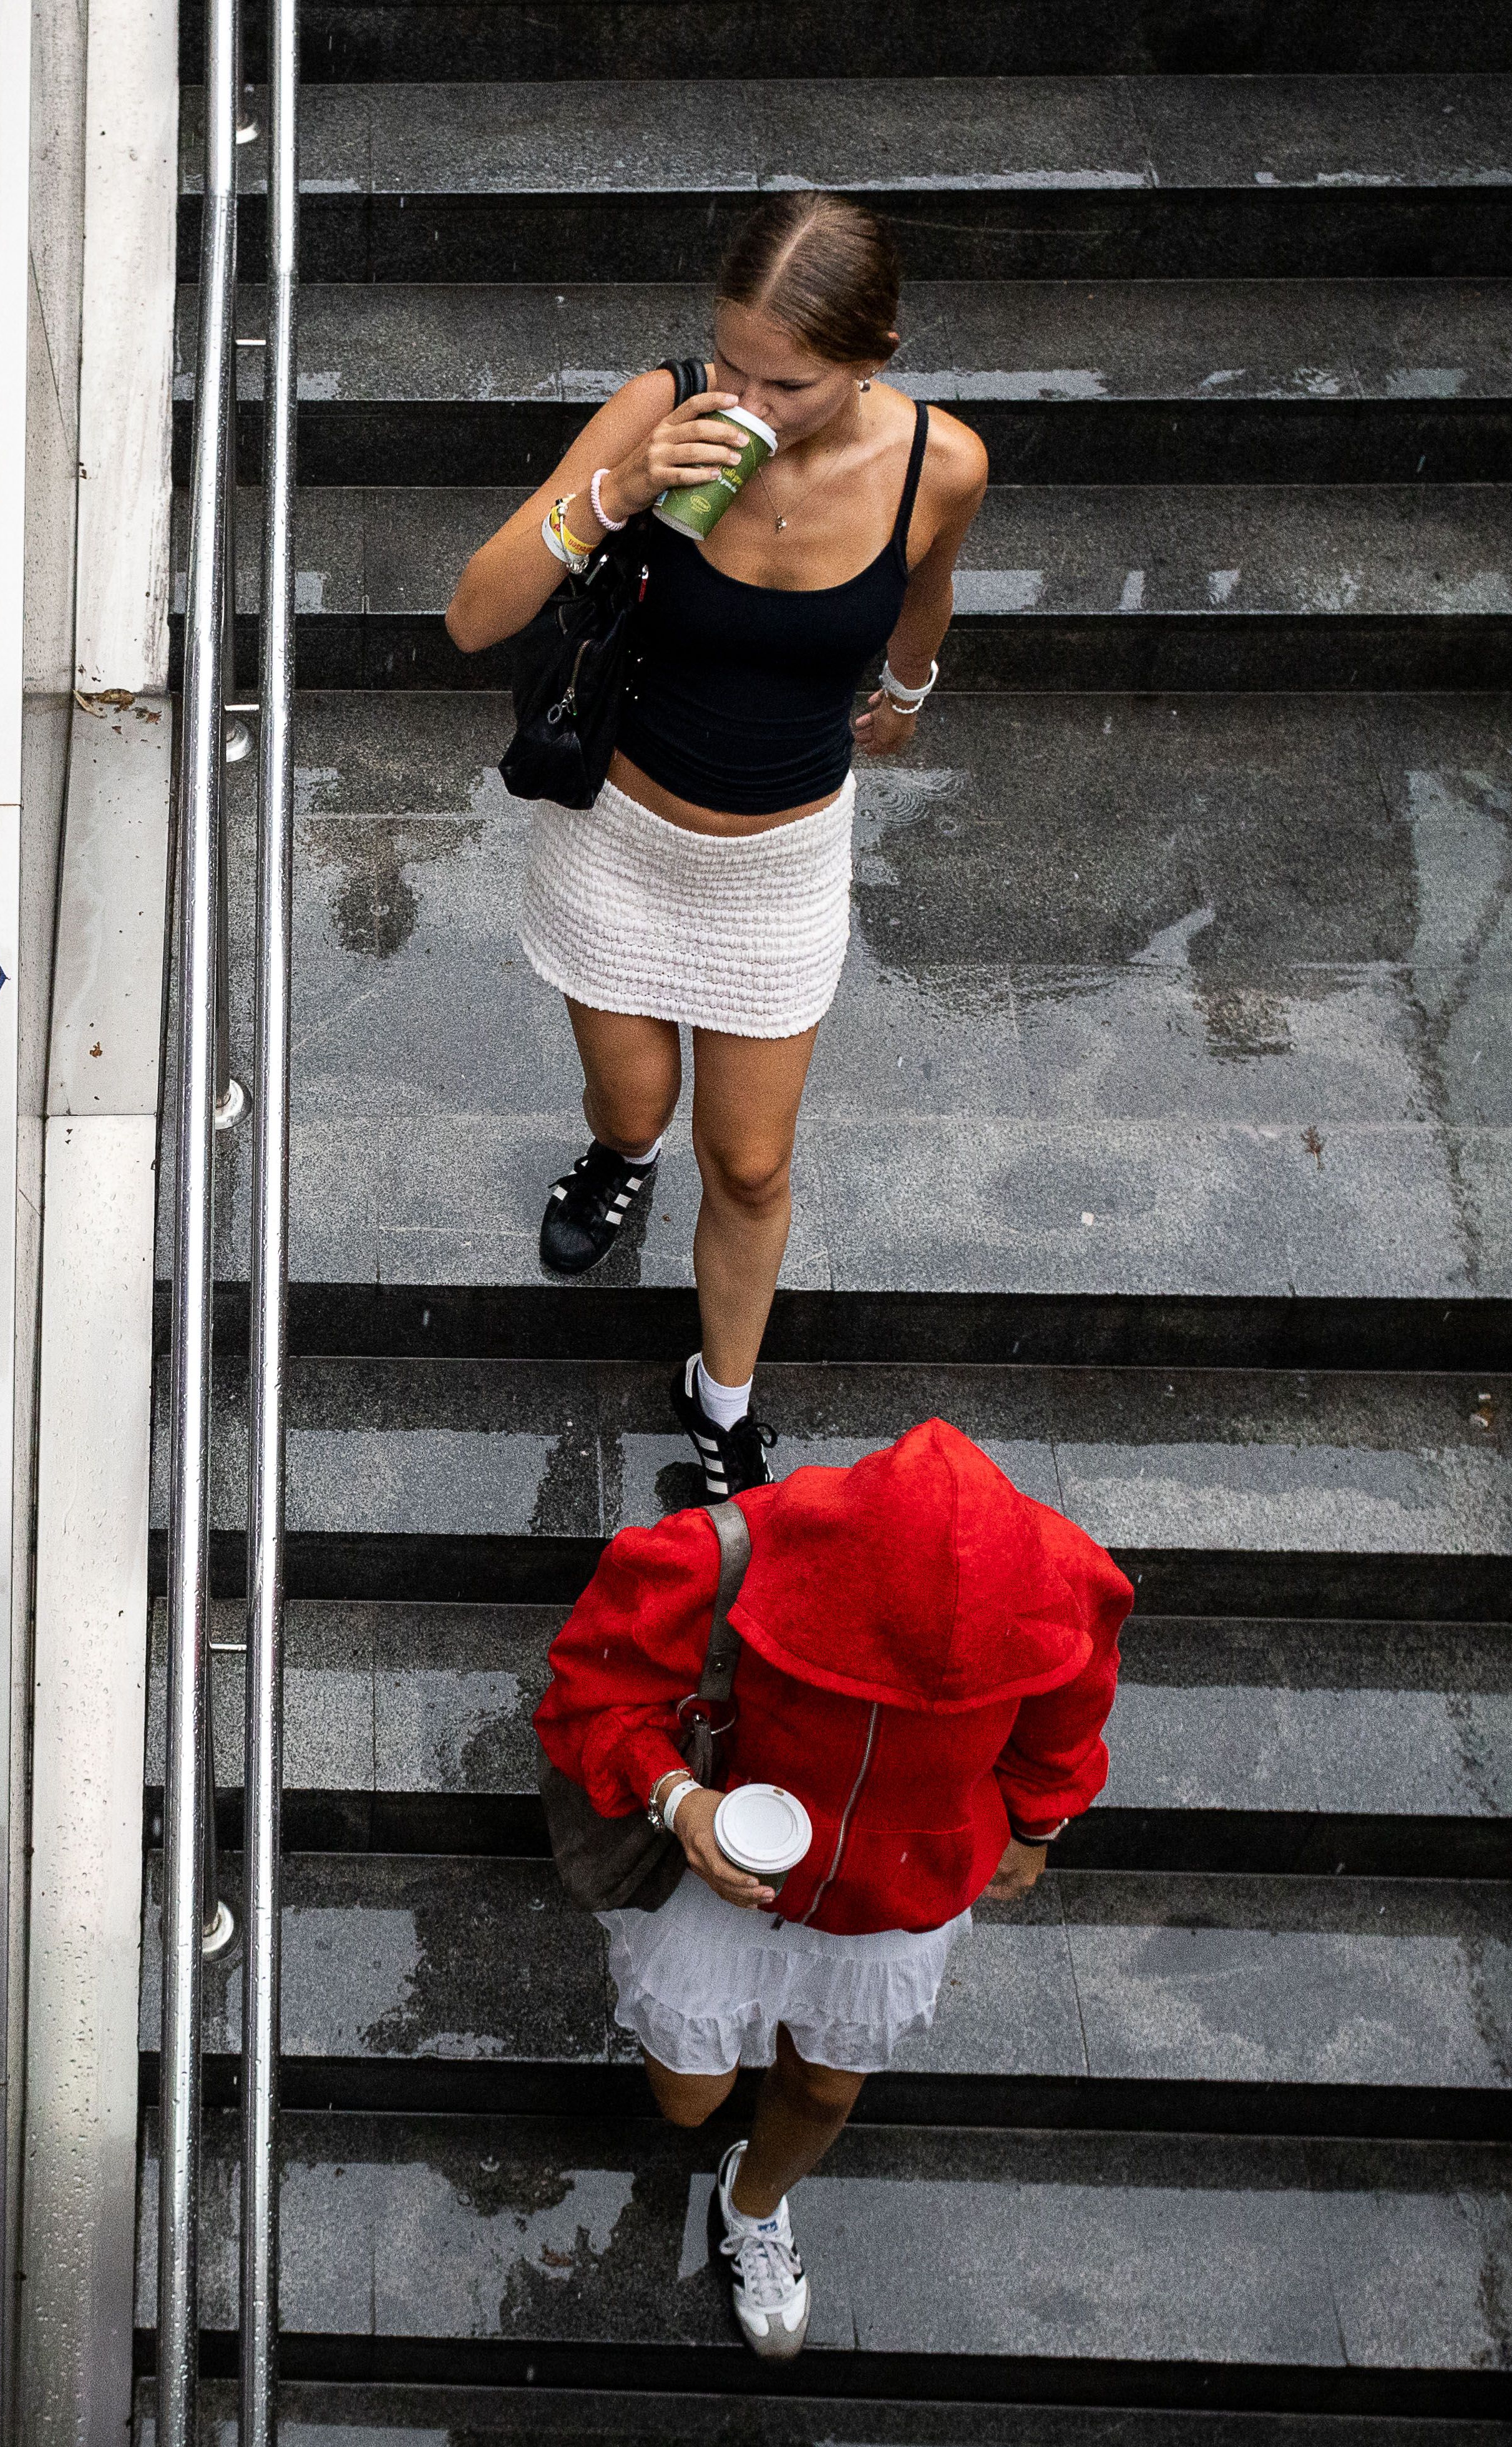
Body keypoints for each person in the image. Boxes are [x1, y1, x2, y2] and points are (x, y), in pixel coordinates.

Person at [442, 193, 988, 1502]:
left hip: (780, 866)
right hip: (618, 838)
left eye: (785, 380)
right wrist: (622, 486)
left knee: (746, 1163)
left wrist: (907, 688)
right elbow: (473, 616)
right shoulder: (658, 411)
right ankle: (617, 1157)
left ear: (876, 354)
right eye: (728, 358)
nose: (746, 394)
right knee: (632, 1107)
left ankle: (722, 1398)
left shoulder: (940, 463)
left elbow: (927, 579)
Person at [533, 1420, 1124, 2357]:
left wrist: (1038, 1820)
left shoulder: (1058, 1582)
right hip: (722, 1882)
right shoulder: (719, 1557)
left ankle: (754, 2201)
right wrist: (681, 1800)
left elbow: (1066, 1715)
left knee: (825, 2083)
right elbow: (593, 1693)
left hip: (898, 1891)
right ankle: (725, 2122)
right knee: (690, 2095)